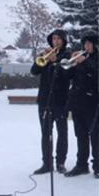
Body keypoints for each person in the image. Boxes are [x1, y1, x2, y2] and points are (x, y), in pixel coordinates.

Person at [65, 31, 99, 178]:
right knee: (81, 135)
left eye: (89, 43)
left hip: (93, 102)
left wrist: (84, 62)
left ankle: (98, 166)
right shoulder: (81, 59)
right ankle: (81, 164)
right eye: (85, 43)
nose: (86, 46)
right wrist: (71, 63)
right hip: (78, 102)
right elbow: (70, 76)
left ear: (96, 45)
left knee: (96, 136)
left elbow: (97, 77)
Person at [30, 29, 71, 175]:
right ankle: (46, 163)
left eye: (59, 39)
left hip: (60, 99)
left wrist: (56, 62)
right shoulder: (46, 55)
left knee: (62, 132)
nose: (56, 41)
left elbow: (68, 75)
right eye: (54, 39)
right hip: (44, 100)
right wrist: (42, 59)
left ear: (64, 41)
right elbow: (34, 72)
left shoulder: (68, 55)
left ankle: (60, 162)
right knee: (45, 132)